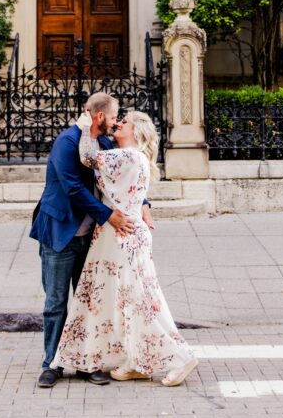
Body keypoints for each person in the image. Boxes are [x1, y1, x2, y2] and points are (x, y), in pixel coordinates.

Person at [51, 109, 199, 386]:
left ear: (136, 131)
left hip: (122, 236)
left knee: (140, 300)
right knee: (127, 301)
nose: (119, 123)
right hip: (122, 233)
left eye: (125, 122)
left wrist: (84, 126)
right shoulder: (134, 158)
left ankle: (181, 356)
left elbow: (86, 157)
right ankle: (137, 362)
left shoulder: (126, 156)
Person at [30, 92, 153, 388]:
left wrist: (144, 205)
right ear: (99, 117)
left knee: (89, 302)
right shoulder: (67, 143)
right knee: (57, 301)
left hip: (93, 239)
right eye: (113, 117)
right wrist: (108, 216)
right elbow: (73, 188)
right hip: (61, 232)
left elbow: (121, 179)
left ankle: (86, 362)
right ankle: (52, 364)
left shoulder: (105, 144)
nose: (115, 123)